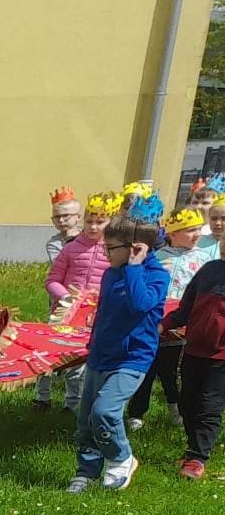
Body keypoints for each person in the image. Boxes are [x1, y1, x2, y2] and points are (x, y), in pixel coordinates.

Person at [67, 207, 171, 494]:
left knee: (105, 412)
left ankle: (121, 458)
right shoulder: (111, 274)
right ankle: (86, 472)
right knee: (86, 420)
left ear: (135, 248)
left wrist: (134, 269)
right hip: (101, 356)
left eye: (110, 248)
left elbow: (140, 304)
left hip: (132, 359)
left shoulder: (156, 276)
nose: (105, 253)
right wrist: (93, 344)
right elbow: (104, 313)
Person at [39, 191, 121, 411]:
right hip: (65, 312)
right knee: (51, 354)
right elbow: (52, 280)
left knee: (80, 365)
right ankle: (42, 397)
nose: (93, 227)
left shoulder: (115, 251)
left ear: (112, 222)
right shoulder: (71, 248)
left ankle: (73, 404)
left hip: (96, 316)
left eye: (100, 222)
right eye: (89, 221)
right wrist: (65, 297)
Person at [129, 206, 208, 428]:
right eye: (190, 230)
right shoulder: (158, 257)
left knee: (170, 370)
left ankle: (176, 408)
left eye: (198, 229)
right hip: (153, 323)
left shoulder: (204, 260)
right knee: (147, 367)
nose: (197, 234)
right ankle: (136, 412)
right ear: (172, 233)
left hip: (180, 326)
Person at [162, 246, 225, 477]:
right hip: (193, 350)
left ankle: (198, 457)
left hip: (221, 357)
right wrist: (163, 325)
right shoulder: (209, 270)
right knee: (187, 403)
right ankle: (192, 450)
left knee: (209, 406)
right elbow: (185, 309)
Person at [48, 187, 84, 265]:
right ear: (52, 220)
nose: (61, 220)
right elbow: (60, 265)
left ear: (78, 217)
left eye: (66, 216)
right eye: (57, 217)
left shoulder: (87, 236)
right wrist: (69, 241)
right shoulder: (54, 244)